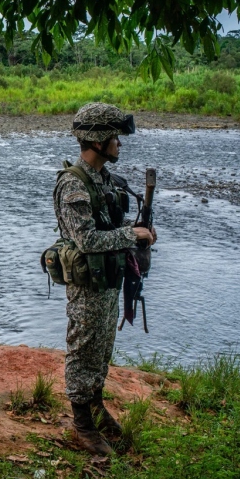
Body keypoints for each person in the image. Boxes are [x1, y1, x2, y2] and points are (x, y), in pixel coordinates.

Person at [53, 102, 157, 455]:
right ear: (97, 140)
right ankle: (82, 423)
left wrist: (137, 228)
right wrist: (133, 235)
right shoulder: (73, 184)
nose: (119, 144)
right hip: (86, 286)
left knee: (101, 351)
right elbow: (87, 240)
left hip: (109, 282)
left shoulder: (105, 180)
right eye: (114, 137)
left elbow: (109, 226)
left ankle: (95, 406)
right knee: (82, 350)